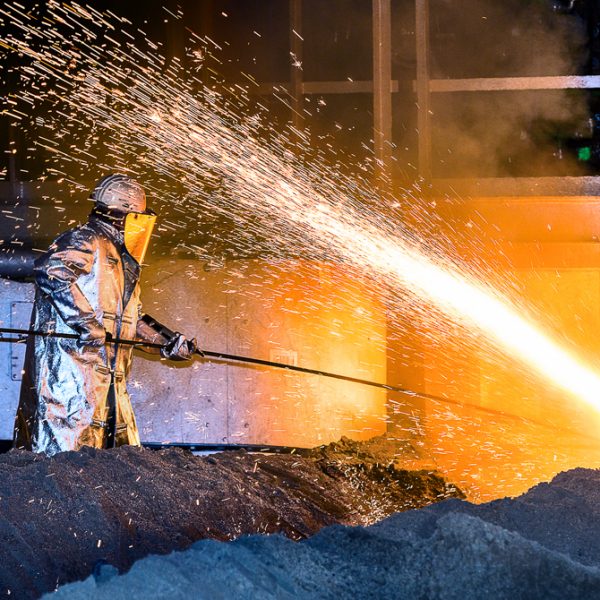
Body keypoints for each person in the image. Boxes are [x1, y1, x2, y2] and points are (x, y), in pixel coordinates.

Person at [13, 173, 196, 456]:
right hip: (70, 389)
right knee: (63, 472)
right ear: (128, 216)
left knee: (118, 469)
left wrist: (166, 344)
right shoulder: (87, 239)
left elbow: (130, 321)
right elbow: (50, 270)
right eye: (141, 218)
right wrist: (86, 323)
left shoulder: (120, 259)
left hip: (107, 390)